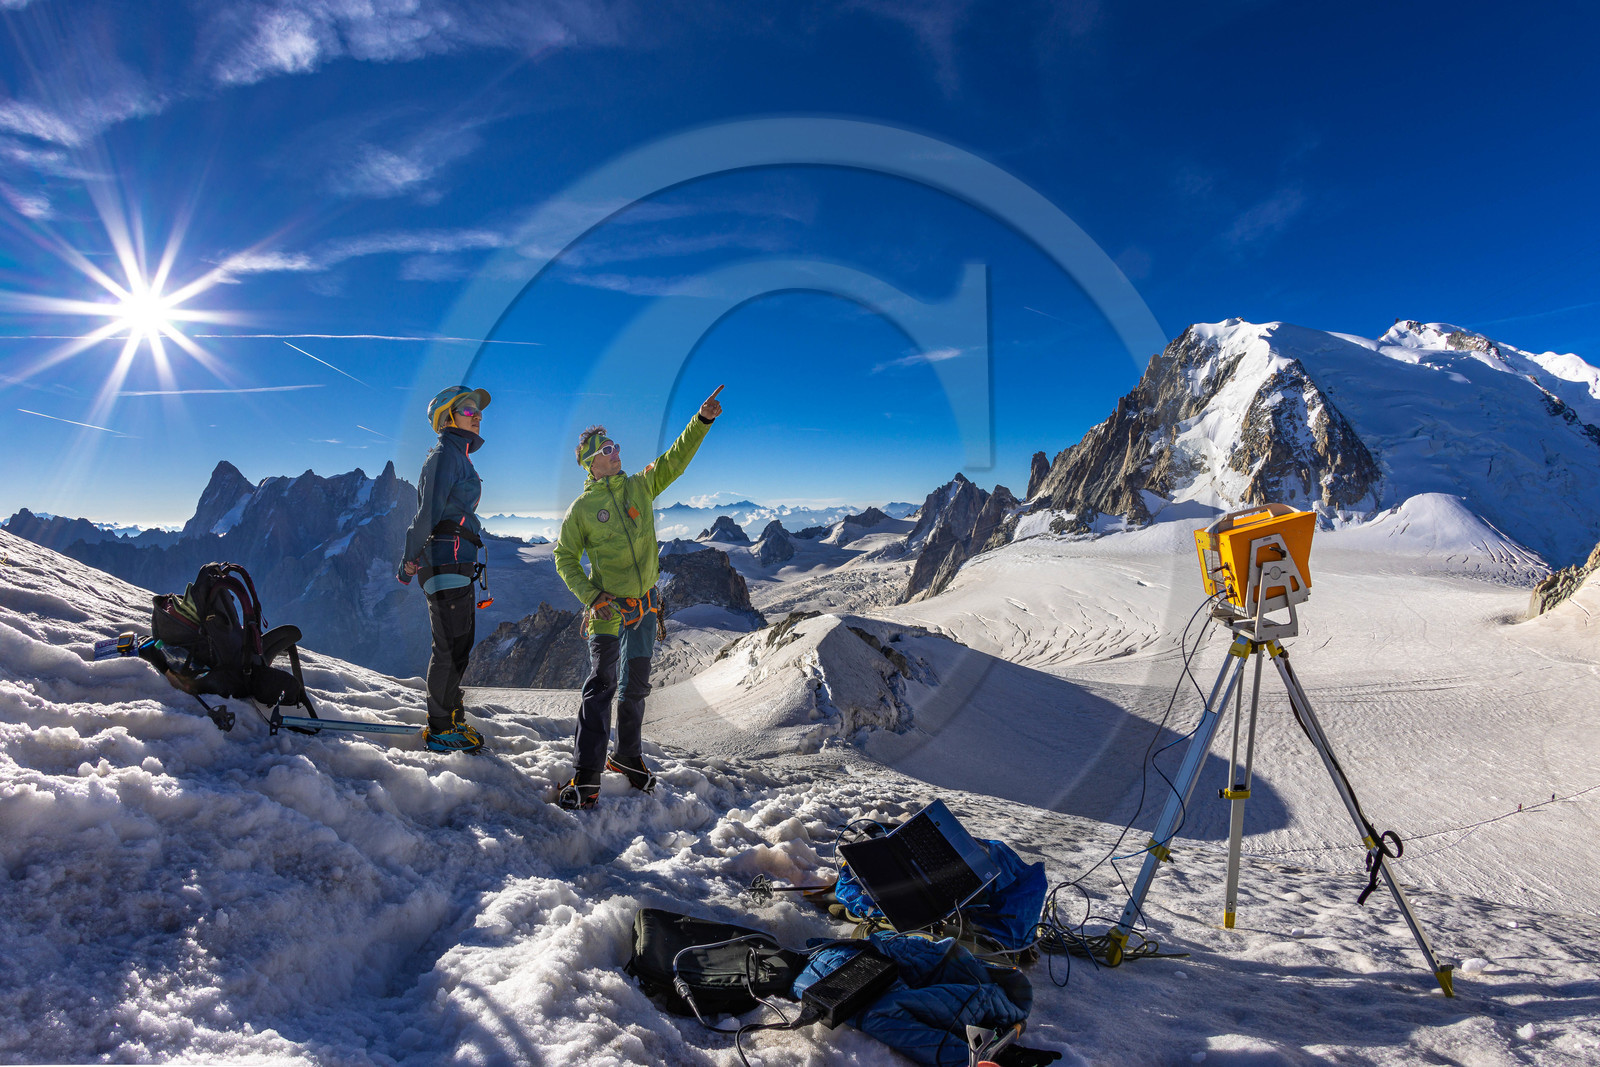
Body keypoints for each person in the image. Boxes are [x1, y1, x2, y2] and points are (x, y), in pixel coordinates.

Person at [553, 385, 725, 809]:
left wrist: (701, 421)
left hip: (644, 607)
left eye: (615, 445)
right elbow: (563, 557)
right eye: (608, 448)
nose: (616, 451)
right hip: (609, 611)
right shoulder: (581, 510)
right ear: (592, 461)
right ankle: (586, 775)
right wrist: (592, 597)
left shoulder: (640, 485)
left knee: (636, 687)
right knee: (602, 687)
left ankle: (627, 756)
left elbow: (675, 461)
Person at [398, 385, 491, 753]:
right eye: (469, 410)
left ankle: (452, 717)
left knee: (460, 645)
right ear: (447, 418)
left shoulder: (459, 456)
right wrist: (408, 559)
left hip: (457, 560)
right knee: (449, 647)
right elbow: (426, 517)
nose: (478, 415)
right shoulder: (444, 457)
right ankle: (439, 728)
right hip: (445, 559)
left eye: (478, 411)